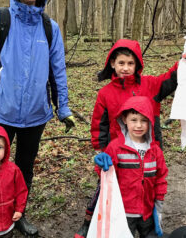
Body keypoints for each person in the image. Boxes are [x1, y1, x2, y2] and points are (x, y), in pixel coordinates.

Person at [0, 0, 75, 237]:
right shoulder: (0, 20)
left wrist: (62, 107)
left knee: (23, 169)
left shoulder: (50, 28)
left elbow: (58, 71)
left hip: (36, 115)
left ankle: (18, 214)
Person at [75, 39, 179, 237]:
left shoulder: (150, 85)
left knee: (146, 185)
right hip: (116, 154)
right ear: (112, 63)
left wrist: (185, 61)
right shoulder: (106, 93)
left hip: (148, 150)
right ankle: (90, 221)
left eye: (130, 64)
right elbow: (99, 124)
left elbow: (170, 80)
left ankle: (149, 217)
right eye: (121, 63)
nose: (125, 68)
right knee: (105, 190)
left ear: (137, 65)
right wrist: (101, 151)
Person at [94, 96, 168, 238]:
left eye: (144, 120)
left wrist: (158, 208)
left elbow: (160, 179)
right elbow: (105, 175)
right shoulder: (116, 147)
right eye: (134, 120)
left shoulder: (155, 151)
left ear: (151, 123)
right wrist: (101, 164)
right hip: (123, 212)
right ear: (124, 120)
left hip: (147, 212)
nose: (138, 125)